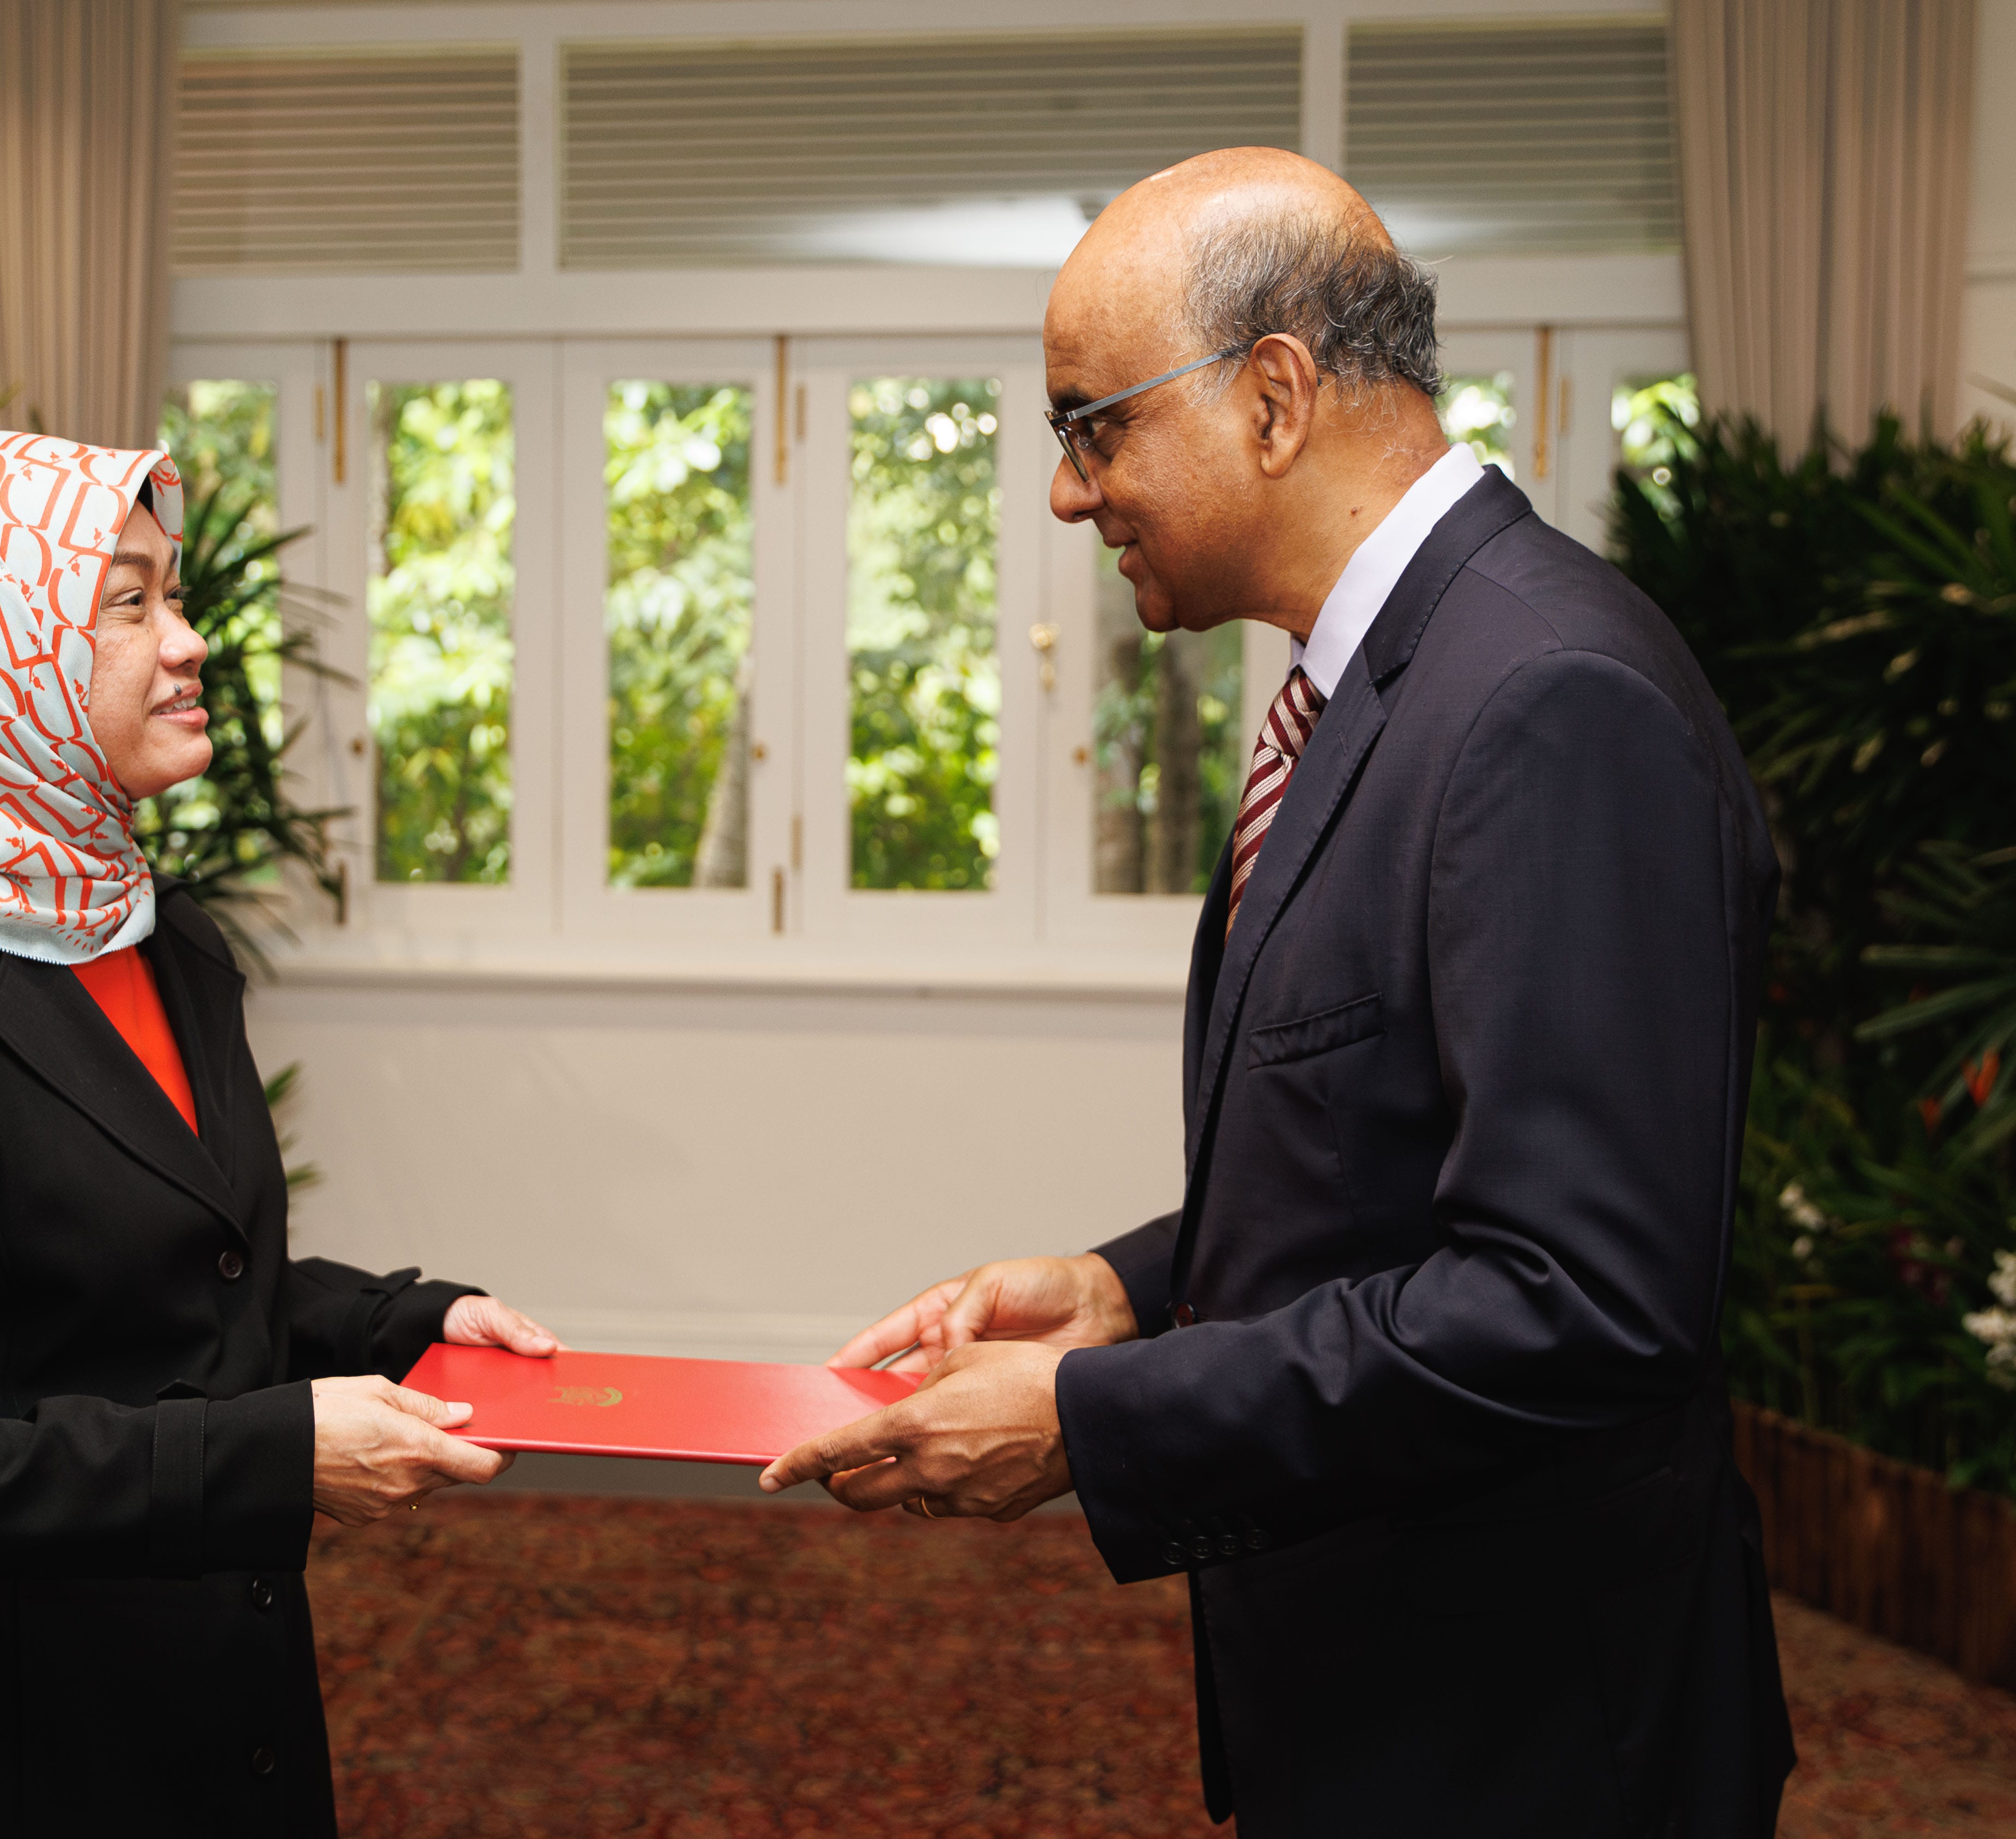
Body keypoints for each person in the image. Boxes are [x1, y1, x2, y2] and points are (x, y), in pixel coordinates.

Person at [761, 148, 1796, 1837]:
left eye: (1094, 427)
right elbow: (1399, 1161)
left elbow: (1576, 1299)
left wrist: (1099, 1429)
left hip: (1523, 1740)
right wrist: (1125, 1288)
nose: (1069, 495)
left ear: (1274, 396)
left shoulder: (1547, 698)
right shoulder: (1390, 679)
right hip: (1398, 1695)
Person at [0, 431, 556, 1837]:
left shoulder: (157, 936)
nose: (191, 642)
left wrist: (404, 1322)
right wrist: (264, 1464)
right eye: (128, 602)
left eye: (175, 595)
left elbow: (170, 1286)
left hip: (215, 1711)